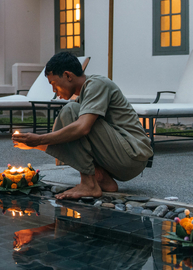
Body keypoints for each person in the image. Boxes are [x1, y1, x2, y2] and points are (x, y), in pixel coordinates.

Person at [12, 52, 153, 200]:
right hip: (120, 157)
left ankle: (89, 185)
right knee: (72, 117)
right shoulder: (85, 95)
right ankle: (100, 178)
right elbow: (75, 140)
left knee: (70, 111)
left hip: (133, 156)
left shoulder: (97, 84)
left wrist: (40, 139)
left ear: (68, 75)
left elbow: (82, 128)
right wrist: (34, 144)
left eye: (53, 84)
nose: (54, 91)